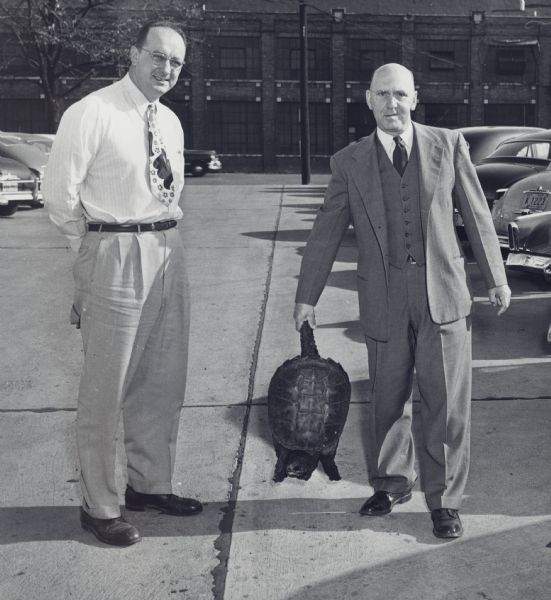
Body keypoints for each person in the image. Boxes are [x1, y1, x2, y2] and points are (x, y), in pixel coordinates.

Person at [294, 63, 511, 539]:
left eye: (400, 94)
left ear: (415, 98)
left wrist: (496, 277)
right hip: (383, 296)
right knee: (388, 399)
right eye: (382, 94)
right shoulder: (348, 161)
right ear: (367, 99)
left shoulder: (448, 144)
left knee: (446, 404)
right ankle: (392, 484)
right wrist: (306, 297)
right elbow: (326, 230)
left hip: (445, 295)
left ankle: (445, 500)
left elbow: (476, 214)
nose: (391, 103)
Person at [44, 20, 202, 547]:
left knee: (162, 378)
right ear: (133, 54)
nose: (166, 69)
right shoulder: (92, 111)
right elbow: (59, 197)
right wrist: (91, 253)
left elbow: (164, 189)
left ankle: (149, 485)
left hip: (167, 247)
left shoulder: (172, 122)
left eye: (176, 62)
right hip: (112, 245)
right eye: (157, 56)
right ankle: (100, 503)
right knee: (104, 387)